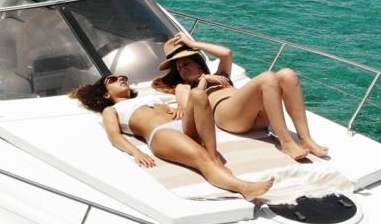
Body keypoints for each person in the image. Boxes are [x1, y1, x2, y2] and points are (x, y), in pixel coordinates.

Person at [71, 73, 275, 202]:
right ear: (106, 94)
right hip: (162, 134)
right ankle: (244, 187)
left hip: (182, 124)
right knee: (201, 160)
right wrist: (136, 151)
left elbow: (183, 99)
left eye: (123, 77)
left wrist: (179, 106)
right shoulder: (112, 110)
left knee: (197, 95)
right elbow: (114, 135)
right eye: (113, 80)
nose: (121, 78)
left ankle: (213, 155)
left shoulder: (150, 97)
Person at [154, 32, 330, 162]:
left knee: (287, 74)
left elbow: (226, 53)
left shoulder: (221, 74)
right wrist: (204, 80)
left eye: (186, 63)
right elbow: (192, 108)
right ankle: (286, 143)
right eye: (178, 68)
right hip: (228, 117)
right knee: (268, 77)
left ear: (199, 64)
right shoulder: (183, 87)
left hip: (255, 115)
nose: (182, 69)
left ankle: (305, 139)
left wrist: (194, 44)